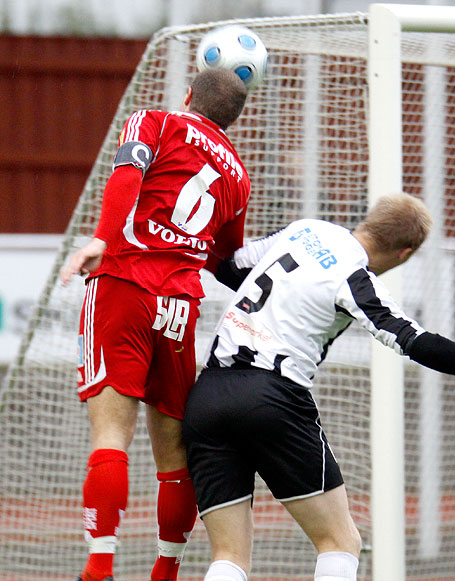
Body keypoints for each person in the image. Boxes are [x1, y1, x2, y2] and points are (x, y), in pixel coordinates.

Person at [182, 193, 455, 581]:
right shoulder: (354, 277)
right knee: (340, 542)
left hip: (209, 395)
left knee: (229, 556)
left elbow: (232, 268)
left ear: (369, 221)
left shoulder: (307, 229)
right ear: (405, 254)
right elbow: (415, 342)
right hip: (271, 399)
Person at [59, 67, 251, 581]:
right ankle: (165, 571)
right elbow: (225, 257)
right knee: (173, 451)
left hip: (125, 281)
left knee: (110, 436)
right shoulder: (237, 174)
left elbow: (128, 174)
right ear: (234, 119)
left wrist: (102, 237)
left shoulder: (155, 121)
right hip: (180, 305)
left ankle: (99, 567)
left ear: (188, 95)